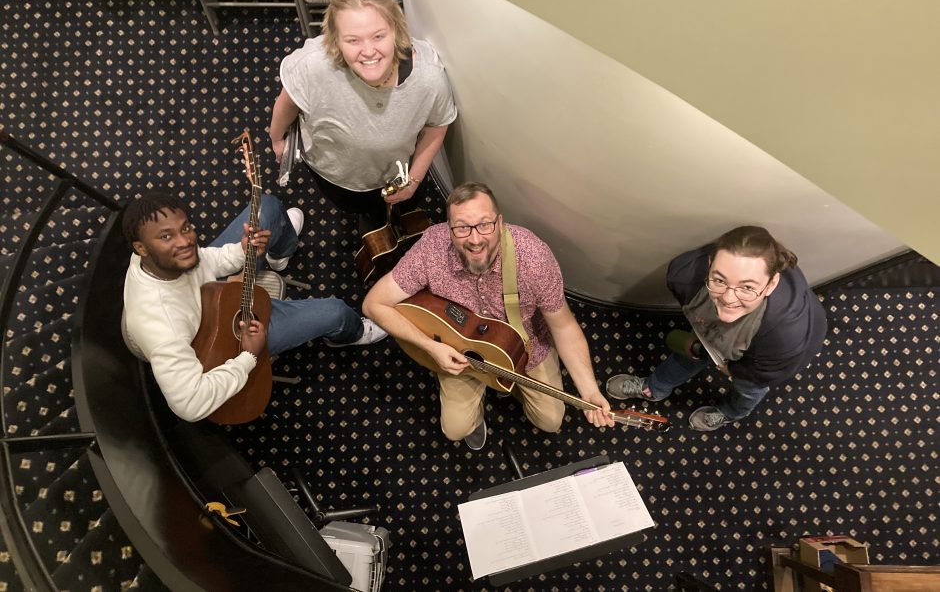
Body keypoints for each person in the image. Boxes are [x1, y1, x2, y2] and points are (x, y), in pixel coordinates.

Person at [362, 182, 614, 450]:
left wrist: (589, 390)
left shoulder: (533, 259)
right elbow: (374, 304)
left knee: (550, 421)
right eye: (462, 227)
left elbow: (563, 327)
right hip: (460, 351)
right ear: (449, 229)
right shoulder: (432, 249)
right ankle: (478, 408)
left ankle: (507, 384)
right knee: (454, 430)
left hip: (524, 348)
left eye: (485, 224)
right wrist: (432, 348)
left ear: (500, 222)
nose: (474, 239)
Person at [121, 191, 387, 422]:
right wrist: (247, 357)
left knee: (267, 208)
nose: (185, 242)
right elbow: (190, 404)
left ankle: (279, 254)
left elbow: (205, 262)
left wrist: (242, 251)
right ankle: (350, 334)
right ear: (140, 248)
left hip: (209, 297)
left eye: (186, 227)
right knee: (336, 312)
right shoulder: (162, 324)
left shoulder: (169, 258)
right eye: (167, 236)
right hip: (209, 338)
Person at [268, 0, 457, 231]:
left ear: (397, 31)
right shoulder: (311, 65)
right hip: (334, 173)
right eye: (353, 40)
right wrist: (277, 138)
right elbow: (288, 101)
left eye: (378, 36)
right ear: (335, 41)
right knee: (360, 209)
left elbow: (437, 125)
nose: (368, 52)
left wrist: (413, 181)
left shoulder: (429, 78)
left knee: (406, 207)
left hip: (396, 171)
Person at [606, 226, 827, 431]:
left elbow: (760, 374)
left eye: (747, 287)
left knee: (747, 389)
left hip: (767, 356)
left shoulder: (785, 336)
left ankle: (730, 412)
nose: (728, 299)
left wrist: (731, 369)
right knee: (689, 353)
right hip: (716, 336)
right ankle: (655, 388)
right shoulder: (683, 276)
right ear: (710, 264)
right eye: (719, 280)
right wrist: (708, 347)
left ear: (771, 285)